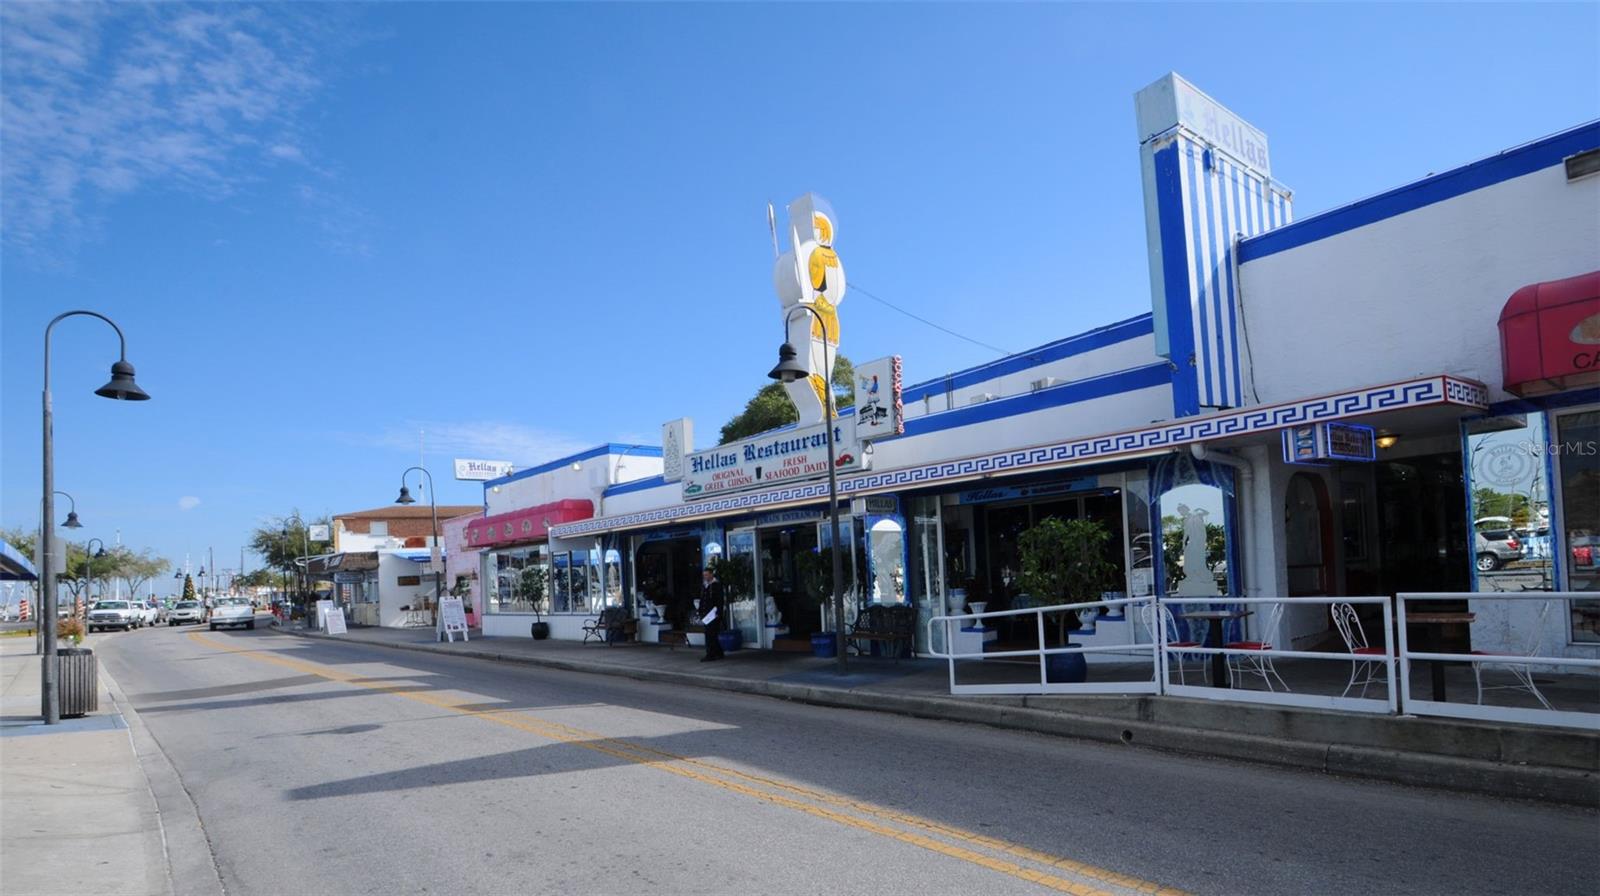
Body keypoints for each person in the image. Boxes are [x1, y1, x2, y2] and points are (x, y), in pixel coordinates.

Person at [699, 566, 726, 662]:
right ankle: (719, 652)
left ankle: (710, 654)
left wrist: (718, 612)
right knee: (711, 634)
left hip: (713, 614)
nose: (705, 577)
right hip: (706, 614)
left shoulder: (716, 585)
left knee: (710, 634)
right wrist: (700, 611)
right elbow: (702, 599)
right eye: (704, 575)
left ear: (711, 574)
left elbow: (720, 600)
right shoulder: (705, 586)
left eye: (706, 575)